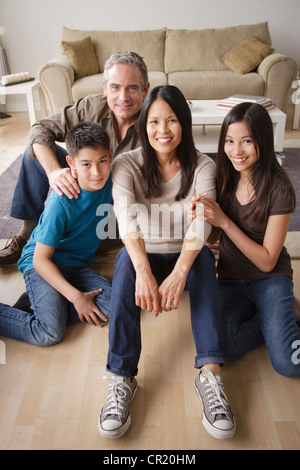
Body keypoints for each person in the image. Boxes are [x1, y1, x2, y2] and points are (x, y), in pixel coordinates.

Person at [98, 85, 236, 441]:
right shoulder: (125, 164)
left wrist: (180, 272)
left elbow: (202, 222)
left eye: (172, 120)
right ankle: (122, 377)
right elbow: (125, 218)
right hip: (144, 252)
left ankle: (210, 375)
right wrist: (144, 271)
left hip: (185, 256)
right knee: (128, 261)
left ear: (184, 123)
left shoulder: (204, 166)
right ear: (143, 124)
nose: (163, 130)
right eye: (155, 121)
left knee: (203, 258)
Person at [0, 51, 149, 265]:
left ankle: (85, 243)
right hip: (86, 187)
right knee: (34, 152)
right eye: (115, 87)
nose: (123, 97)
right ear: (105, 88)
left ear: (145, 89)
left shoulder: (154, 121)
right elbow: (40, 129)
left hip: (118, 207)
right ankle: (26, 236)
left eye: (132, 88)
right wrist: (53, 171)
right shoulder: (90, 107)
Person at [190, 102, 300, 378]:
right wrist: (204, 216)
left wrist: (224, 222)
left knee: (289, 364)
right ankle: (281, 316)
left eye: (246, 141)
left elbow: (266, 261)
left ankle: (283, 313)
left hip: (270, 278)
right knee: (220, 347)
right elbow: (216, 234)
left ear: (262, 141)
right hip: (230, 278)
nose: (236, 151)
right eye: (229, 141)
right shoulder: (224, 177)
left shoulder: (280, 189)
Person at [0, 122, 113, 346]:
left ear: (110, 155)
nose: (96, 172)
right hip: (42, 264)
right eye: (86, 164)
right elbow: (39, 260)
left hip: (77, 266)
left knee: (114, 303)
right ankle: (49, 308)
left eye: (102, 161)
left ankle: (47, 304)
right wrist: (76, 297)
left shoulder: (112, 180)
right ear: (71, 163)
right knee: (49, 332)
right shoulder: (61, 202)